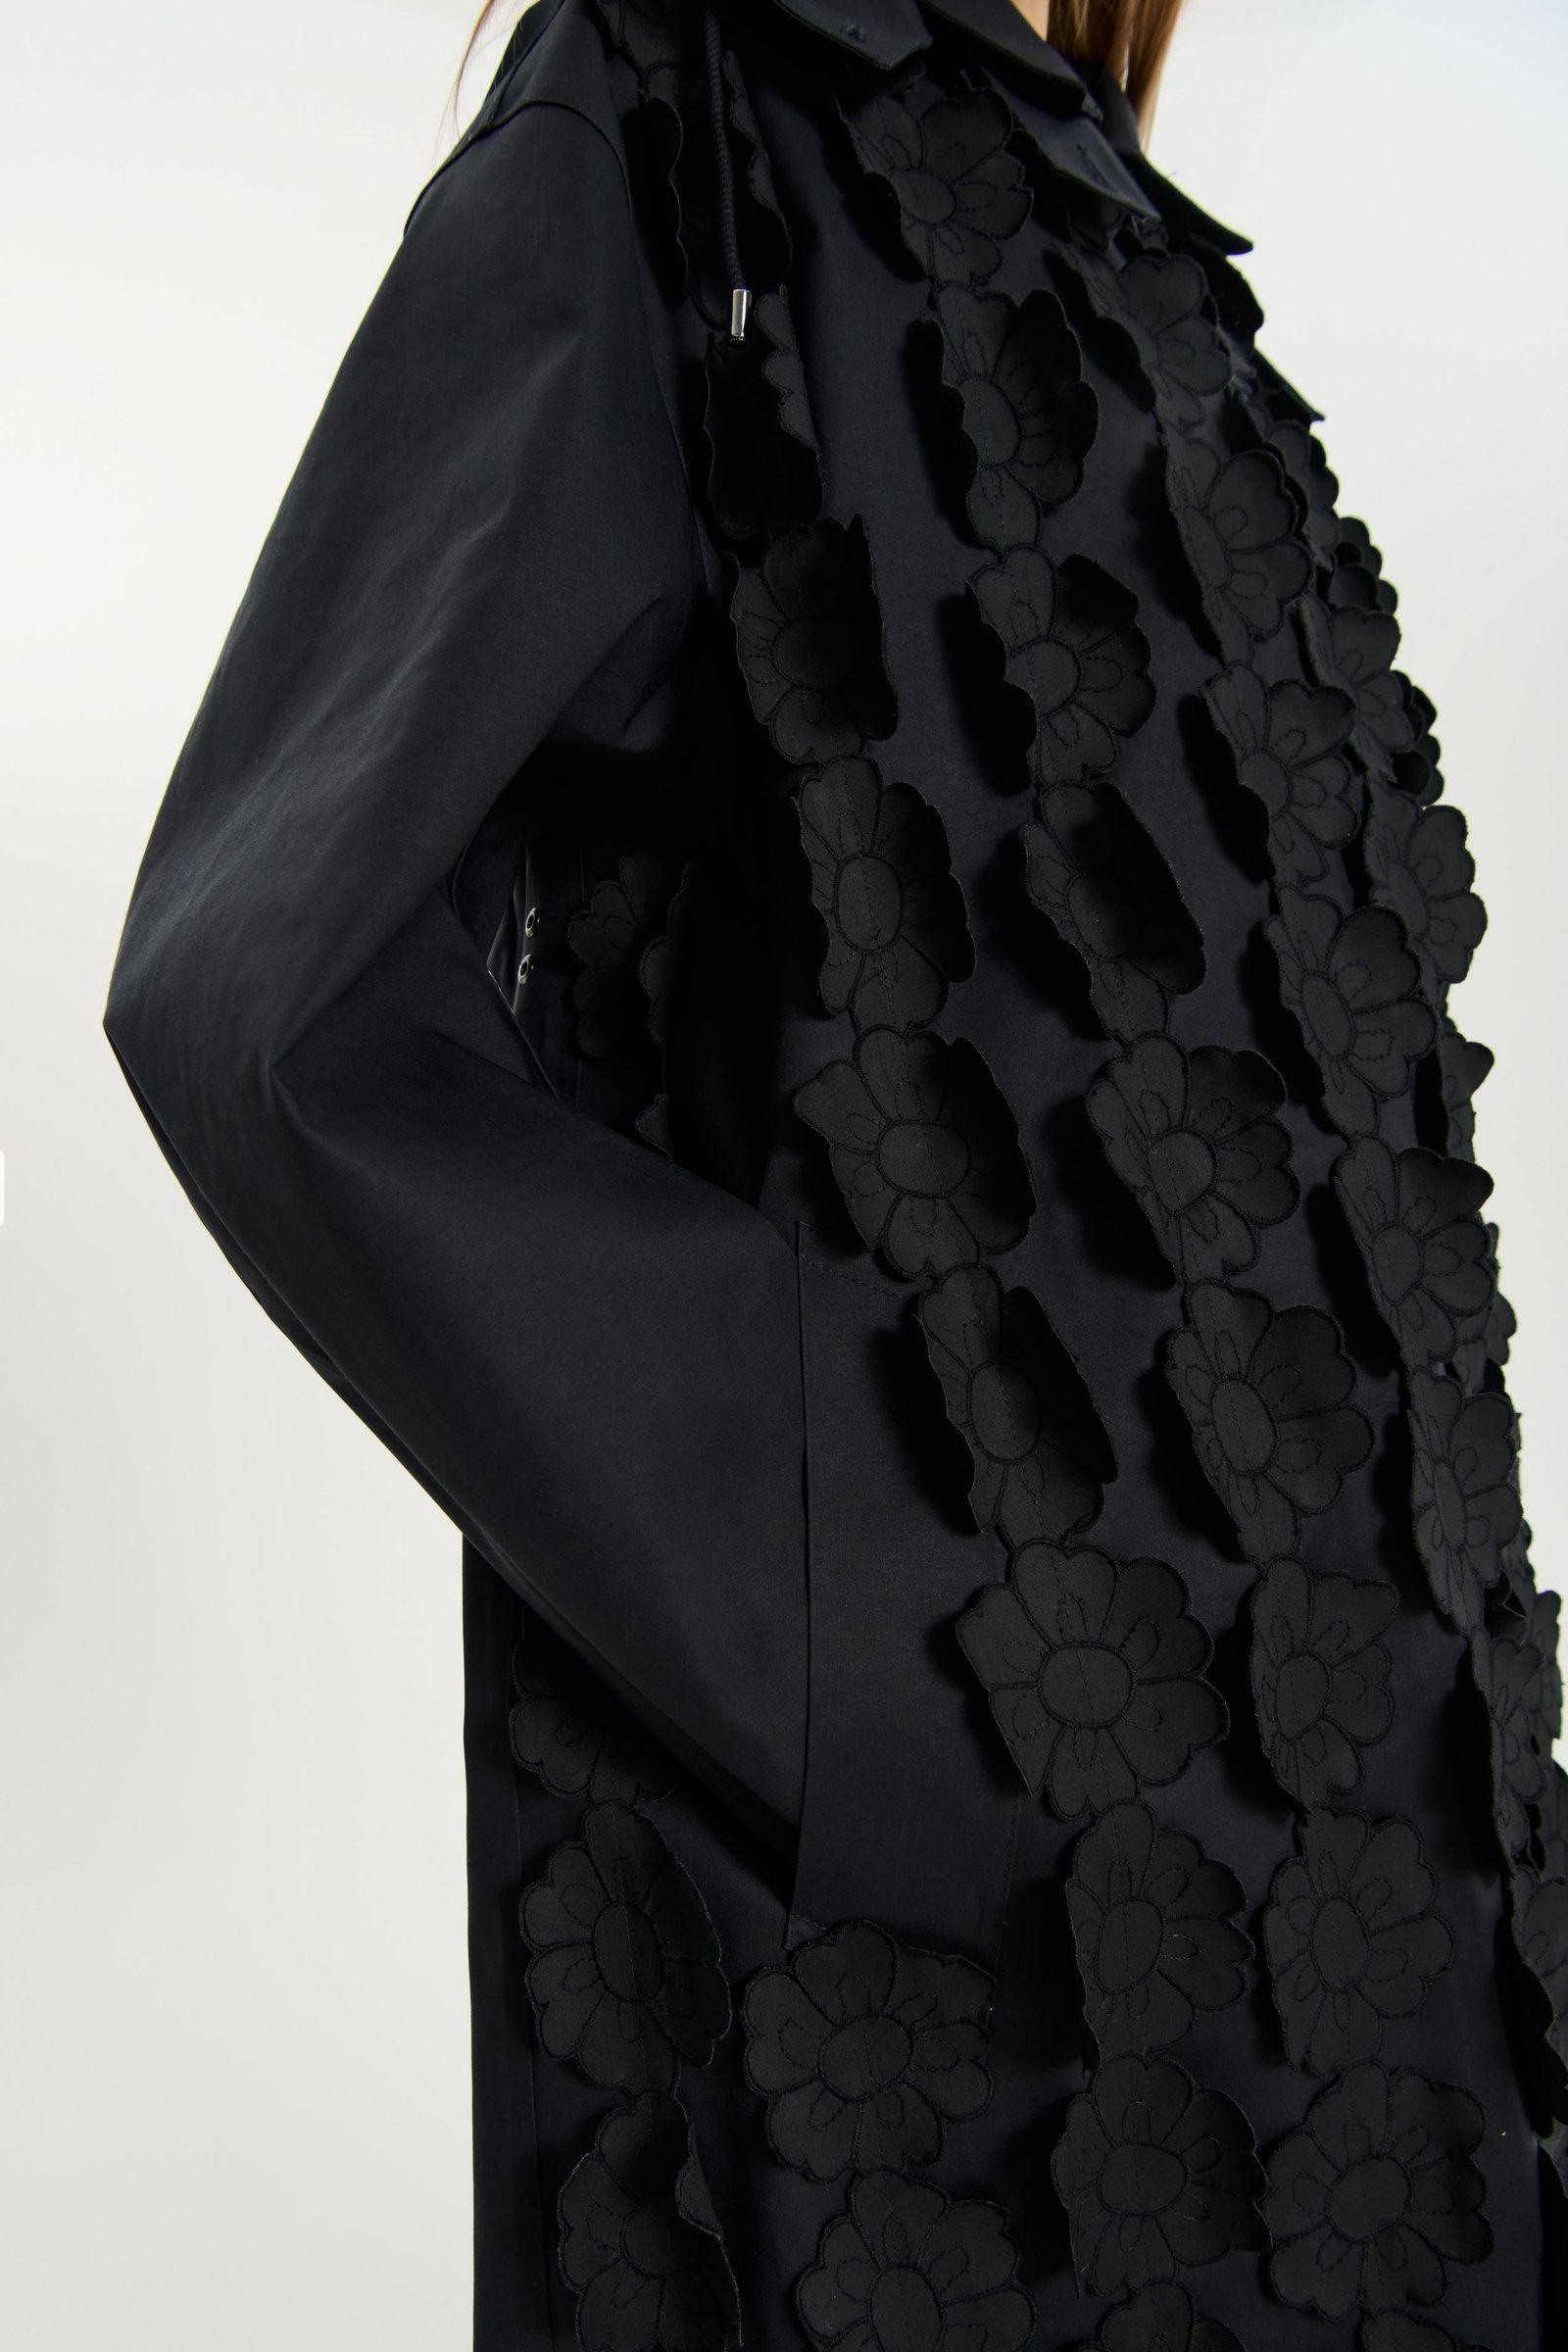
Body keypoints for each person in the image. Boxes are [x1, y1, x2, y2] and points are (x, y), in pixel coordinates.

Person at [104, 2, 1564, 2345]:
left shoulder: (1142, 252)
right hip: (970, 1990)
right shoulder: (684, 118)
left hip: (1396, 1991)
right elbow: (265, 995)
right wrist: (836, 1577)